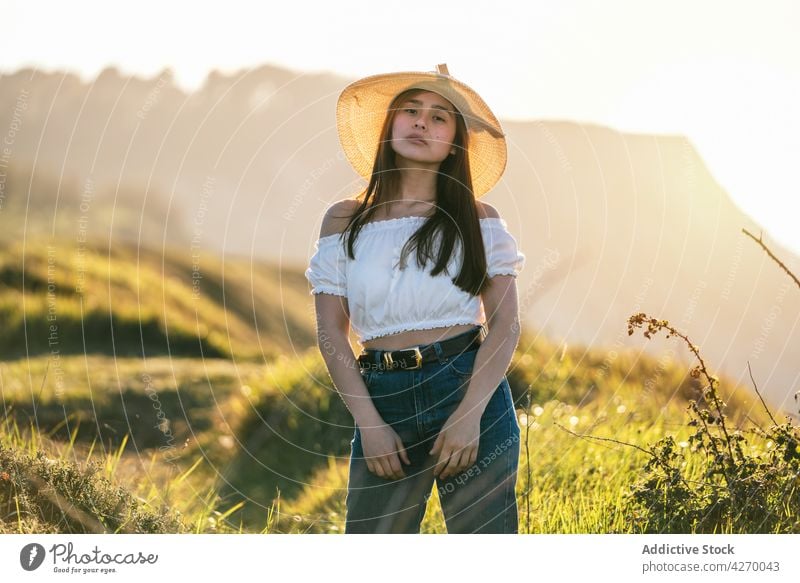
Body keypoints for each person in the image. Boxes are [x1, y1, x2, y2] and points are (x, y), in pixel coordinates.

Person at [305, 63, 526, 534]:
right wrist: (369, 423)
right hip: (382, 395)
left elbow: (505, 325)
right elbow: (331, 332)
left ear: (454, 143)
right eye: (410, 111)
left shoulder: (479, 219)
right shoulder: (344, 220)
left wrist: (469, 418)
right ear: (390, 127)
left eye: (439, 117)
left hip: (467, 385)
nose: (421, 122)